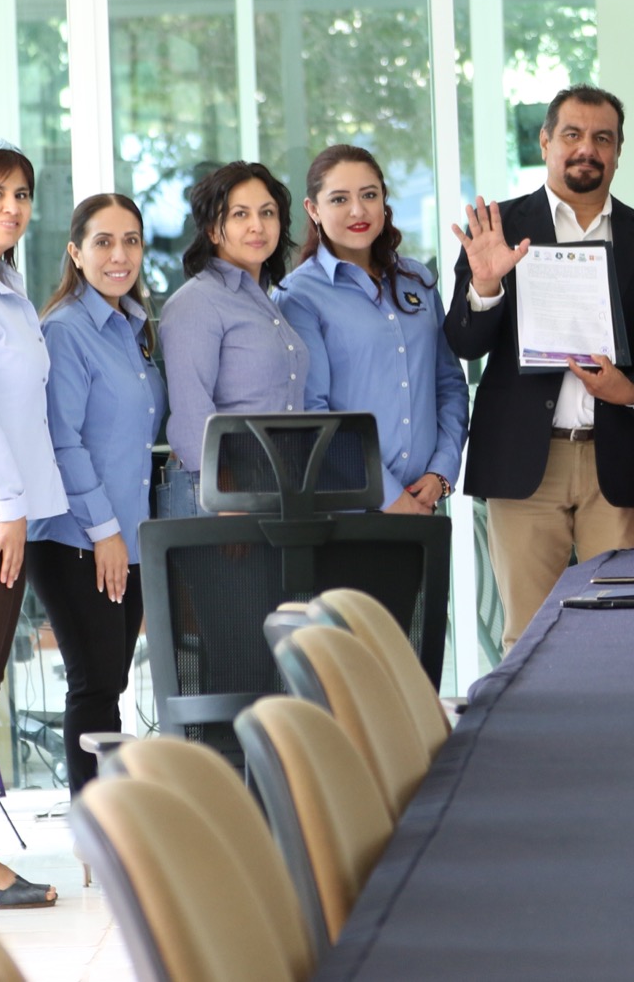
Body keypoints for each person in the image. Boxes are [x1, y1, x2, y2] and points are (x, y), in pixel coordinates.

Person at [445, 85, 634, 651]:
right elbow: (463, 341)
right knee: (526, 635)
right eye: (572, 134)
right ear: (546, 141)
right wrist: (487, 283)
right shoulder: (497, 229)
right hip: (526, 462)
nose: (586, 149)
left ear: (619, 151)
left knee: (621, 630)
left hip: (618, 460)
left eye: (602, 138)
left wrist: (633, 392)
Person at [34, 194, 166, 797]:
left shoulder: (134, 329)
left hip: (130, 535)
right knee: (93, 684)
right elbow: (64, 442)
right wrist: (105, 532)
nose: (120, 255)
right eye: (104, 241)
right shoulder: (66, 331)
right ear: (75, 252)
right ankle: (101, 830)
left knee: (111, 681)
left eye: (131, 240)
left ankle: (113, 824)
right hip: (76, 538)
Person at [0, 139, 67, 909]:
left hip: (6, 511)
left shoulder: (4, 285)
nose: (11, 206)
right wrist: (7, 506)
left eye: (21, 193)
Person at [279, 145, 468, 515]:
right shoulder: (298, 296)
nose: (358, 210)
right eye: (339, 199)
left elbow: (448, 384)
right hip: (346, 509)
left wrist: (440, 472)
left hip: (425, 503)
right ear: (312, 209)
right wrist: (389, 497)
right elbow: (313, 415)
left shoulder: (418, 281)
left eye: (369, 195)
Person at [158, 161, 309, 499]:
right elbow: (190, 414)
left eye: (267, 213)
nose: (257, 226)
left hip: (279, 487)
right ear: (212, 230)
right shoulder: (197, 301)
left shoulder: (266, 301)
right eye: (240, 214)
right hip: (224, 494)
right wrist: (225, 497)